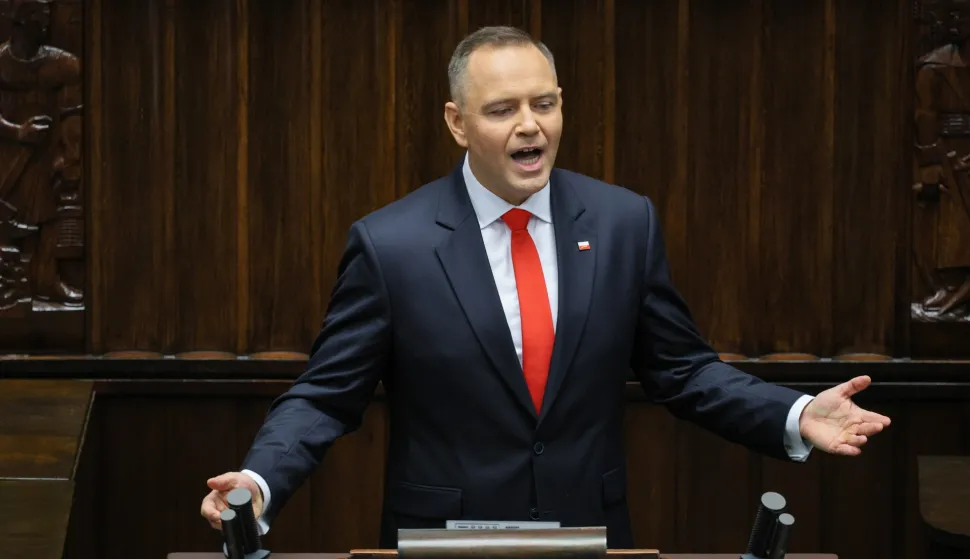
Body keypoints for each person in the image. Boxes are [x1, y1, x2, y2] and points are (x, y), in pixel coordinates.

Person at [201, 26, 891, 549]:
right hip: (445, 540)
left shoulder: (623, 223)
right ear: (457, 123)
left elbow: (682, 370)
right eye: (502, 109)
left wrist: (795, 413)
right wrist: (257, 483)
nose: (530, 125)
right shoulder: (392, 245)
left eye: (545, 103)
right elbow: (325, 395)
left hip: (590, 533)